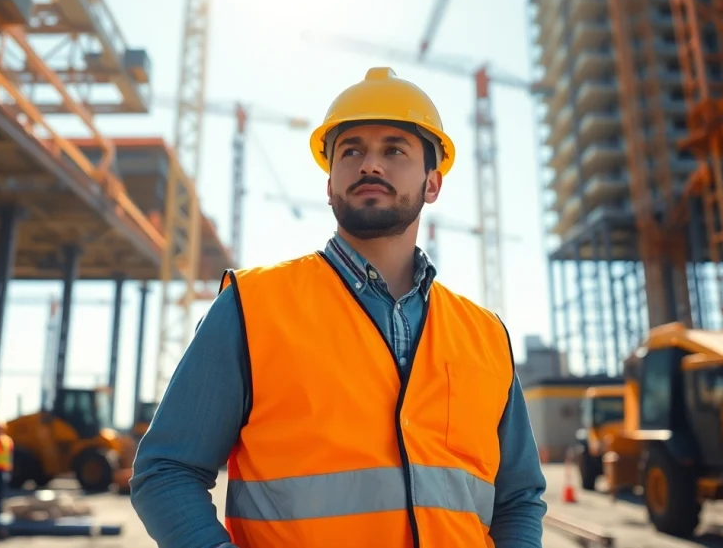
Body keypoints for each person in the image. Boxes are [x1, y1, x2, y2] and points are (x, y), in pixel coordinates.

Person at [130, 67, 547, 547]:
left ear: (433, 184)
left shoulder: (485, 335)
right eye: (351, 151)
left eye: (394, 150)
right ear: (330, 184)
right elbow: (167, 470)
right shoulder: (251, 308)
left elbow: (518, 498)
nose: (371, 165)